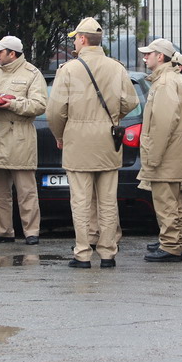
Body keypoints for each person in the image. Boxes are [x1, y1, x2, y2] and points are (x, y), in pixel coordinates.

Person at [46, 17, 137, 268]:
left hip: (77, 142)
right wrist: (114, 116)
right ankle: (108, 253)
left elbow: (55, 111)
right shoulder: (116, 68)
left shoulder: (68, 70)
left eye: (76, 38)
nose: (74, 42)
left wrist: (60, 135)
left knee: (81, 201)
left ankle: (83, 253)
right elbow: (131, 102)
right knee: (108, 201)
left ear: (83, 39)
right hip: (108, 141)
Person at [0, 35, 47, 246]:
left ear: (12, 53)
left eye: (1, 51)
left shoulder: (32, 74)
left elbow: (39, 105)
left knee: (26, 190)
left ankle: (31, 231)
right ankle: (3, 230)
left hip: (20, 136)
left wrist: (12, 104)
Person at [137, 38, 182, 262]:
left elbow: (163, 123)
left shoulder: (165, 83)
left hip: (166, 155)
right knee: (172, 201)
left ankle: (171, 246)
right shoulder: (168, 80)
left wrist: (153, 155)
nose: (145, 57)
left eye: (148, 54)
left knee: (166, 202)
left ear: (160, 56)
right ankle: (174, 243)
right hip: (171, 153)